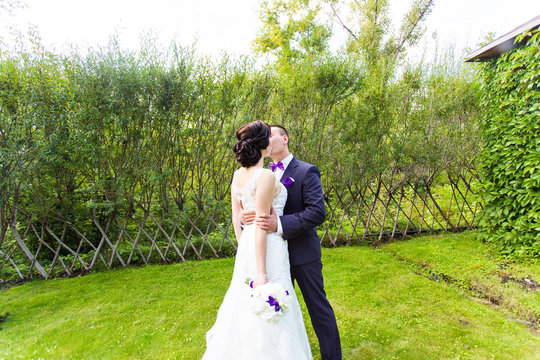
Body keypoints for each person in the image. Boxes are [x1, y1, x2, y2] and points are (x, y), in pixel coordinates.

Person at [202, 121, 312, 359]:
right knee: (266, 292)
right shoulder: (265, 176)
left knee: (244, 304)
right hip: (269, 246)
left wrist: (245, 250)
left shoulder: (238, 175)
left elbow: (236, 220)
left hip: (247, 246)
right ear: (263, 144)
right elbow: (262, 224)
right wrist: (261, 273)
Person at [241, 125, 342, 360]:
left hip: (302, 254)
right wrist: (251, 216)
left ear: (284, 139)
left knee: (318, 310)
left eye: (271, 133)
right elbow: (258, 209)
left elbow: (318, 212)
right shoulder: (260, 173)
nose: (266, 137)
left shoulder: (307, 171)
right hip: (273, 257)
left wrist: (281, 224)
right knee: (274, 312)